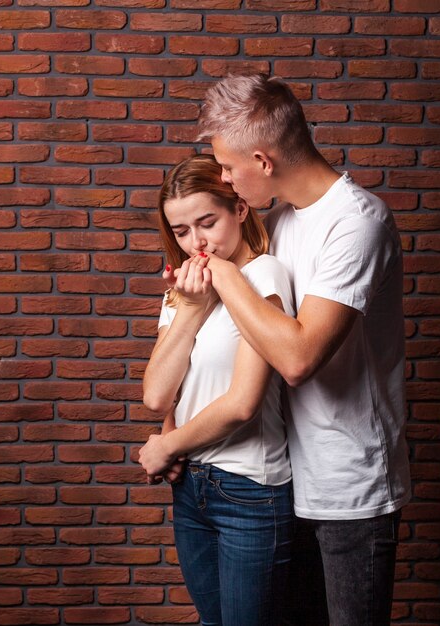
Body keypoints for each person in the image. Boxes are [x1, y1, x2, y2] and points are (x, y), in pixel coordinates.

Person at [180, 74, 411, 626]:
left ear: (263, 160)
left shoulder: (358, 223)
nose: (228, 183)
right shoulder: (279, 222)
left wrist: (225, 273)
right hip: (281, 481)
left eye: (230, 169)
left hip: (348, 486)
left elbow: (298, 358)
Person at [138, 154, 294, 626]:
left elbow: (243, 403)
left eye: (207, 222)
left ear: (240, 209)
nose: (197, 243)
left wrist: (166, 446)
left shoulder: (265, 277)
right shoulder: (184, 287)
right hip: (191, 487)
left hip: (250, 491)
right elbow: (157, 396)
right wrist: (188, 308)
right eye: (182, 232)